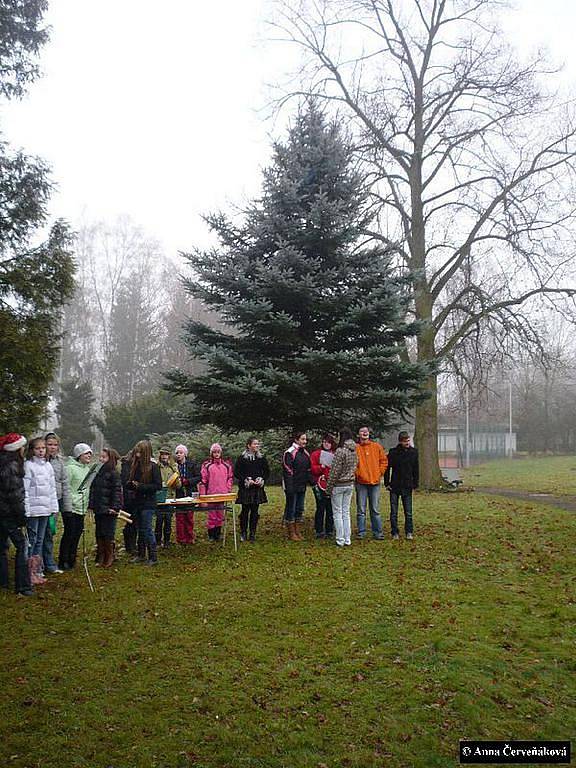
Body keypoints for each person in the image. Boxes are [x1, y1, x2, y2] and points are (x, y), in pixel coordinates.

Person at [0, 433, 33, 596]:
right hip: (10, 515)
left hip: (2, 513)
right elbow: (15, 496)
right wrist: (22, 519)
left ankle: (3, 581)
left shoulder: (3, 463)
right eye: (22, 447)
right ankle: (23, 586)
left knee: (2, 548)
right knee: (22, 547)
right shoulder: (13, 467)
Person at [24, 437, 59, 585]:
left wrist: (53, 507)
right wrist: (26, 509)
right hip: (33, 510)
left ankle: (37, 570)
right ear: (32, 450)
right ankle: (28, 572)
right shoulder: (28, 466)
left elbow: (52, 489)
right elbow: (25, 489)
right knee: (31, 540)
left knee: (40, 539)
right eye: (38, 448)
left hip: (45, 509)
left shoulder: (48, 466)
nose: (41, 451)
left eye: (43, 448)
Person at [59, 443, 97, 571]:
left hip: (81, 506)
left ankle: (72, 558)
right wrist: (68, 504)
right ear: (79, 455)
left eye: (90, 453)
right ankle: (63, 559)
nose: (89, 456)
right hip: (71, 507)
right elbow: (66, 487)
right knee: (69, 533)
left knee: (77, 533)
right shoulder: (70, 468)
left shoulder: (87, 469)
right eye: (86, 453)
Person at [125, 440, 162, 565]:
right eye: (136, 452)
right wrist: (130, 485)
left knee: (147, 529)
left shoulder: (153, 467)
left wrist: (141, 486)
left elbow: (158, 486)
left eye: (140, 453)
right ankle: (141, 554)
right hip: (138, 502)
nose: (137, 455)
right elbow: (131, 482)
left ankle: (153, 557)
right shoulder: (136, 465)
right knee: (140, 529)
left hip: (148, 503)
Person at [44, 432, 72, 575]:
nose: (52, 447)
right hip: (42, 502)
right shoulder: (39, 461)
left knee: (50, 532)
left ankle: (48, 562)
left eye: (55, 445)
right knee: (41, 534)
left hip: (56, 501)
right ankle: (40, 563)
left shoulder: (60, 462)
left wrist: (67, 506)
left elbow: (65, 484)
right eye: (50, 444)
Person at [88, 448, 122, 567]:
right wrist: (91, 505)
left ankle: (109, 556)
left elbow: (117, 492)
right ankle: (101, 555)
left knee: (108, 533)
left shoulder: (114, 473)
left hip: (109, 509)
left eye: (104, 457)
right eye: (100, 457)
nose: (101, 459)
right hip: (99, 507)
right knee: (99, 532)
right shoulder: (97, 472)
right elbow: (93, 489)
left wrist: (115, 507)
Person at [326, 427, 358, 547]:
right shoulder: (354, 450)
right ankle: (347, 538)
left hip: (339, 484)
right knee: (346, 512)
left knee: (337, 512)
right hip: (349, 484)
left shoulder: (340, 451)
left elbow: (334, 471)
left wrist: (328, 488)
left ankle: (340, 539)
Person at [384, 431, 419, 540]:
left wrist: (415, 483)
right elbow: (387, 468)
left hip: (407, 485)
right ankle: (394, 532)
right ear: (400, 441)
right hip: (395, 485)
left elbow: (416, 469)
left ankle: (409, 531)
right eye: (405, 441)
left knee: (408, 511)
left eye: (408, 440)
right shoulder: (393, 453)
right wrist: (387, 483)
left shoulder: (414, 452)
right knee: (394, 512)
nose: (407, 443)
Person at [355, 426, 388, 540]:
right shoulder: (356, 448)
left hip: (375, 482)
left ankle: (378, 532)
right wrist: (358, 474)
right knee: (361, 509)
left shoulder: (376, 447)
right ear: (358, 434)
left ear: (369, 433)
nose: (364, 433)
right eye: (362, 431)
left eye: (366, 431)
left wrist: (379, 473)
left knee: (375, 509)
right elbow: (353, 464)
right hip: (361, 483)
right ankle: (361, 532)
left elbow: (384, 461)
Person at [234, 437, 270, 542]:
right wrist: (245, 479)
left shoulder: (261, 458)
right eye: (255, 444)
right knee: (245, 511)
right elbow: (237, 472)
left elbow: (267, 471)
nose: (257, 446)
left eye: (258, 444)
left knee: (255, 511)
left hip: (257, 488)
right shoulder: (242, 458)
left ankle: (252, 533)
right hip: (246, 488)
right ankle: (243, 532)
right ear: (249, 445)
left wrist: (261, 479)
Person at [200, 443, 234, 542]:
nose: (216, 454)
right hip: (211, 494)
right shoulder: (207, 465)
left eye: (218, 452)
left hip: (223, 494)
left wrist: (228, 489)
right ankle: (211, 535)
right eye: (214, 452)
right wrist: (203, 495)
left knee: (220, 515)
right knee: (212, 515)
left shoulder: (226, 466)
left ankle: (218, 534)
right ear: (211, 453)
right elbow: (203, 481)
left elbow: (230, 478)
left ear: (221, 453)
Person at [282, 431, 311, 541]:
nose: (305, 441)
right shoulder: (289, 452)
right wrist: (289, 487)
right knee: (291, 508)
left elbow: (308, 469)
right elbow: (287, 470)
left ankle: (297, 531)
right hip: (292, 486)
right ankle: (291, 532)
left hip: (302, 485)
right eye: (303, 439)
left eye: (305, 439)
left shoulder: (305, 453)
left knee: (300, 508)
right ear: (296, 440)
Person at [310, 434, 336, 539]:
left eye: (329, 442)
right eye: (325, 442)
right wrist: (321, 467)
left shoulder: (335, 454)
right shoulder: (316, 454)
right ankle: (319, 530)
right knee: (320, 507)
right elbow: (312, 469)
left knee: (330, 508)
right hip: (319, 484)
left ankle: (329, 530)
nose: (326, 444)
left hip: (332, 484)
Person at [174, 444, 201, 545]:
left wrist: (188, 481)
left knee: (189, 517)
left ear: (185, 454)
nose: (178, 455)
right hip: (179, 494)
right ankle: (181, 538)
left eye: (181, 453)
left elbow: (199, 477)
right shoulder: (174, 466)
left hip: (190, 493)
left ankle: (190, 537)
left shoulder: (192, 464)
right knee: (180, 517)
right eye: (177, 453)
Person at [155, 447, 180, 547]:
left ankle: (167, 541)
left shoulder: (173, 467)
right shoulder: (156, 467)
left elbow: (179, 485)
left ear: (169, 456)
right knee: (159, 519)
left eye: (166, 454)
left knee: (168, 519)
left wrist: (176, 481)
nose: (164, 456)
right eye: (162, 454)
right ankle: (157, 541)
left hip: (170, 497)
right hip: (159, 498)